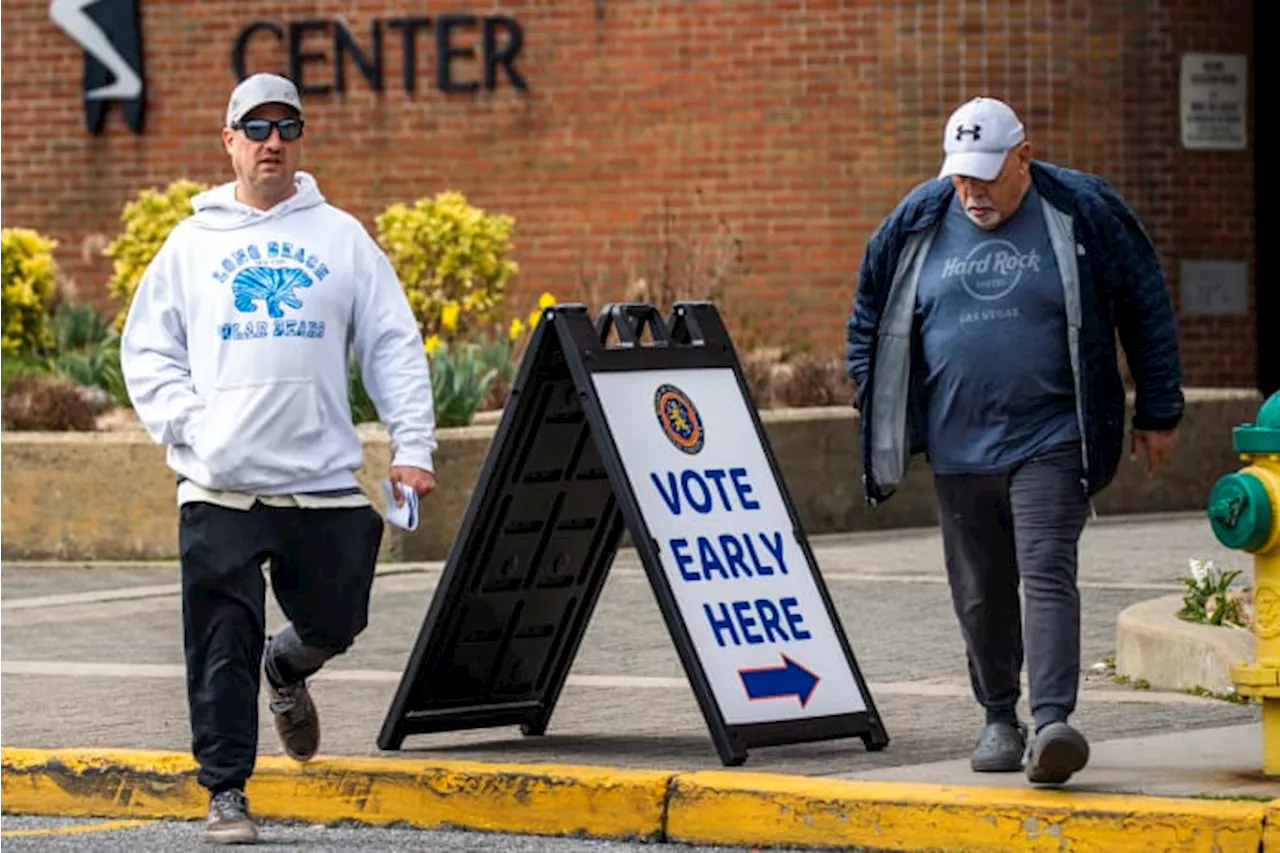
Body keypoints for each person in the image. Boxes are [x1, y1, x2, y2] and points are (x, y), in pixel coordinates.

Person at [120, 72, 439, 844]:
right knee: (218, 643)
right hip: (220, 485)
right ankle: (226, 791)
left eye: (285, 128)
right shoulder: (192, 244)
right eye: (255, 128)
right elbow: (147, 348)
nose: (271, 142)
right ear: (228, 141)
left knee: (339, 616)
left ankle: (288, 666)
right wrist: (193, 430)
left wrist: (413, 445)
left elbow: (392, 343)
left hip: (322, 480)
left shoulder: (340, 237)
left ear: (300, 141)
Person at [844, 96, 1184, 785]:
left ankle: (1054, 720)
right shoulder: (918, 218)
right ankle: (1000, 715)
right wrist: (877, 399)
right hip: (957, 442)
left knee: (1047, 568)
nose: (971, 192)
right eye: (961, 177)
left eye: (986, 176)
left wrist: (1160, 407)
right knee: (980, 589)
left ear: (1023, 158)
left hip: (1054, 433)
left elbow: (1144, 299)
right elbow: (867, 318)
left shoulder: (1081, 207)